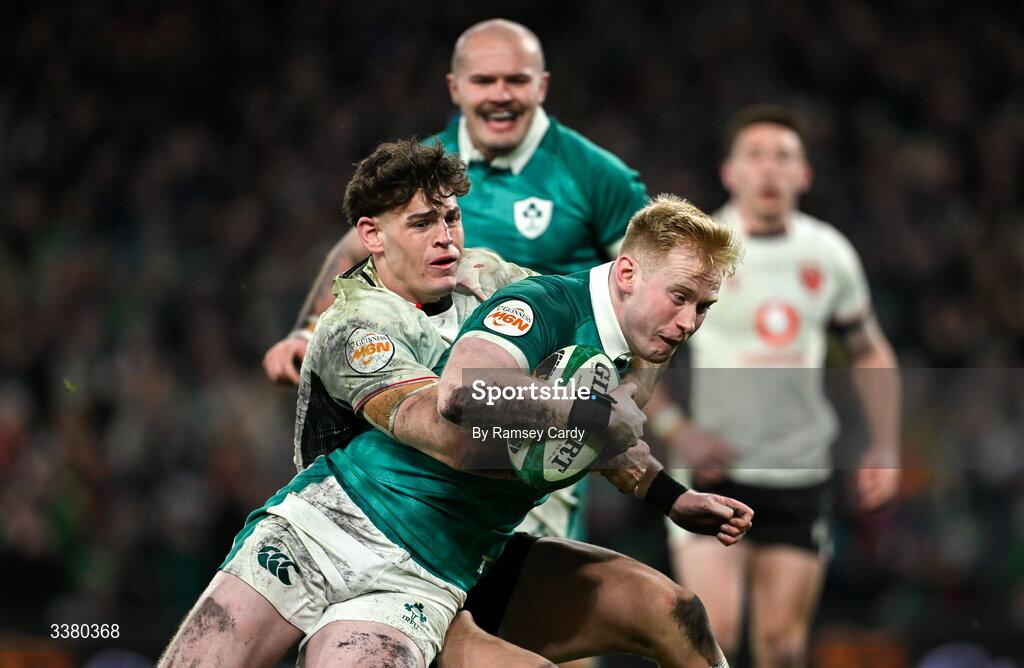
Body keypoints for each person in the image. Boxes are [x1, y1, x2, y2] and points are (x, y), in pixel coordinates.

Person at [159, 140, 751, 668]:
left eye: (452, 217)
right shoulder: (353, 328)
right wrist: (583, 415)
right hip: (328, 529)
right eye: (421, 223)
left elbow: (599, 434)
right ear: (372, 236)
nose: (445, 236)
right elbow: (453, 414)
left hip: (427, 574)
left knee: (673, 612)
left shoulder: (513, 288)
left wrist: (668, 494)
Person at [263, 17, 647, 589]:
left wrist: (628, 403)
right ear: (455, 89)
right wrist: (307, 328)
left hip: (542, 408)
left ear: (542, 85)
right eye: (484, 79)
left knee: (538, 588)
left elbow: (641, 294)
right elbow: (353, 248)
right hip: (446, 401)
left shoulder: (597, 177)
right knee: (440, 580)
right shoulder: (429, 168)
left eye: (515, 79)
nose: (500, 94)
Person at [653, 105, 902, 668]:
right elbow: (639, 358)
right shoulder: (698, 255)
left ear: (804, 175)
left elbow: (869, 350)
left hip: (799, 474)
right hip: (716, 474)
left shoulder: (829, 254)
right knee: (711, 643)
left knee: (782, 649)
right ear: (729, 172)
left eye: (783, 157)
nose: (769, 169)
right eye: (755, 156)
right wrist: (678, 432)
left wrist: (884, 446)